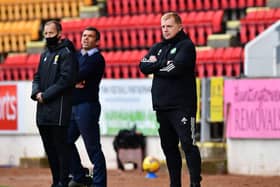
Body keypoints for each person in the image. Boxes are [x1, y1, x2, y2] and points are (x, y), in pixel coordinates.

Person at [139, 12, 202, 187]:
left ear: (180, 26)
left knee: (188, 145)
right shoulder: (158, 47)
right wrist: (162, 63)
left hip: (182, 106)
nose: (165, 30)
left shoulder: (186, 46)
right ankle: (175, 184)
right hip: (162, 106)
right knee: (169, 148)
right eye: (163, 27)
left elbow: (176, 68)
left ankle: (195, 183)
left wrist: (155, 65)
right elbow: (143, 67)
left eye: (169, 26)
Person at [31, 20, 78, 187]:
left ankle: (63, 181)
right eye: (45, 33)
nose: (47, 36)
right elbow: (36, 76)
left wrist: (47, 95)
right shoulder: (44, 54)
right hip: (42, 109)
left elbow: (66, 79)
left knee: (60, 148)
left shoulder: (66, 53)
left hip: (58, 109)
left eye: (51, 33)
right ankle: (55, 180)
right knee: (49, 150)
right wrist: (36, 93)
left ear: (59, 33)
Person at [67, 27, 107, 187]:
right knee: (64, 141)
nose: (85, 38)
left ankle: (99, 184)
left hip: (87, 107)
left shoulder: (97, 59)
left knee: (93, 148)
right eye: (84, 35)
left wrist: (72, 79)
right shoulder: (76, 56)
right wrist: (73, 80)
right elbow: (68, 75)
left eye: (90, 36)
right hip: (73, 106)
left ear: (96, 41)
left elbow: (77, 75)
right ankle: (79, 176)